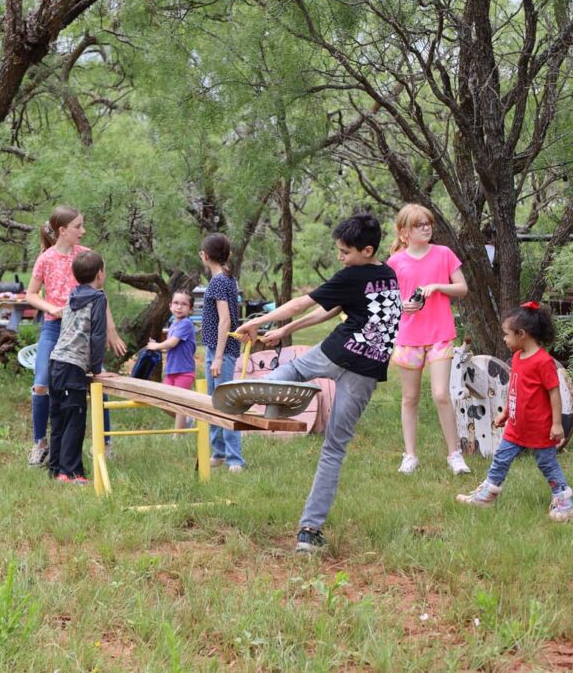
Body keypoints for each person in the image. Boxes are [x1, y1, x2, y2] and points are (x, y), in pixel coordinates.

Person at [236, 211, 402, 552]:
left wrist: (259, 321)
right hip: (368, 369)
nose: (341, 257)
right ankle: (309, 532)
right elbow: (331, 308)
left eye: (345, 252)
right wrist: (286, 330)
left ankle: (267, 397)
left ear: (366, 251)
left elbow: (302, 302)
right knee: (334, 449)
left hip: (339, 351)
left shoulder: (352, 275)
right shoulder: (386, 276)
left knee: (294, 371)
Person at [24, 206, 126, 467]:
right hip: (54, 328)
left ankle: (104, 442)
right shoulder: (45, 259)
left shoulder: (86, 256)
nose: (83, 231)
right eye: (78, 226)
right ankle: (40, 443)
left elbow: (101, 297)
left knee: (97, 380)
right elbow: (31, 294)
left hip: (82, 332)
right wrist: (52, 309)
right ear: (62, 230)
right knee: (41, 383)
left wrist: (111, 332)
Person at [456, 303, 573, 521]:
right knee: (501, 458)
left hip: (539, 428)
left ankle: (564, 501)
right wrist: (507, 414)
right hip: (517, 425)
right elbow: (515, 390)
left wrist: (557, 424)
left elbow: (554, 394)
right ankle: (486, 495)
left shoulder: (543, 362)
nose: (504, 339)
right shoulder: (518, 357)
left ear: (522, 334)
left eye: (507, 335)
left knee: (547, 463)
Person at [387, 204, 471, 475]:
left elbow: (462, 288)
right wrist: (402, 305)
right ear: (403, 233)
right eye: (419, 225)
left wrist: (437, 286)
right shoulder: (395, 262)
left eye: (428, 223)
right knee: (409, 398)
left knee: (440, 394)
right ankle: (410, 455)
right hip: (409, 338)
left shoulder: (444, 254)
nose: (426, 228)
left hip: (440, 335)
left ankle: (454, 455)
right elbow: (388, 301)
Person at [47, 250, 115, 483]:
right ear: (99, 274)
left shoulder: (73, 294)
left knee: (58, 418)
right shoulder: (98, 298)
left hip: (55, 362)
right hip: (73, 365)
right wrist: (97, 369)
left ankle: (55, 469)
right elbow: (97, 335)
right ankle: (71, 472)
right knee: (74, 418)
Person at [199, 234, 244, 471]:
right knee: (212, 401)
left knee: (225, 401)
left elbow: (225, 320)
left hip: (221, 351)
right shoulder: (226, 278)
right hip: (213, 348)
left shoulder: (219, 282)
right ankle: (218, 452)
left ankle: (235, 459)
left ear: (205, 256)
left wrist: (217, 356)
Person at [147, 290, 198, 432]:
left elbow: (172, 343)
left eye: (184, 304)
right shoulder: (173, 324)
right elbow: (170, 347)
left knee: (178, 404)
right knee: (163, 402)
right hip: (171, 371)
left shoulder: (186, 323)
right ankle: (187, 420)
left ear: (190, 309)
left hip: (184, 371)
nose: (179, 307)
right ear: (170, 306)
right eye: (176, 303)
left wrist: (156, 346)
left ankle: (177, 436)